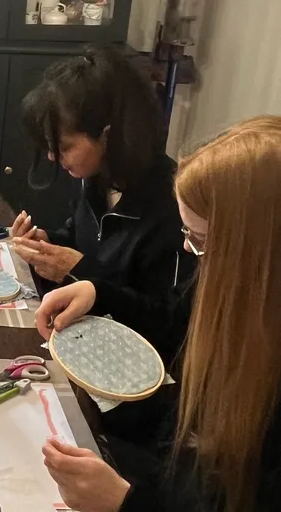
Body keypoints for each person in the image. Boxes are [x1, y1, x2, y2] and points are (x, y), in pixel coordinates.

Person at [35, 116, 281, 511]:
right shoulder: (229, 288)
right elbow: (171, 331)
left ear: (257, 255)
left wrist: (126, 502)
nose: (187, 250)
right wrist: (99, 292)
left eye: (200, 239)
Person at [10, 46, 195, 310]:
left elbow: (166, 322)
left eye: (64, 147)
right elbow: (83, 237)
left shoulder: (173, 206)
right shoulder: (98, 178)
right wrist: (47, 243)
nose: (52, 157)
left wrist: (78, 270)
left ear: (108, 135)